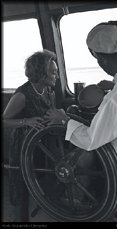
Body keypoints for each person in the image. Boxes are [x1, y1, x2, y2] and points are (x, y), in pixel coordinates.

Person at [46, 23, 117, 222]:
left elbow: (91, 139)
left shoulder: (116, 100)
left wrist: (65, 120)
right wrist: (116, 84)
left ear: (101, 59)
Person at [2, 49, 59, 221]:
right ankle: (20, 218)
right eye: (53, 72)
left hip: (42, 145)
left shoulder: (50, 91)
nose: (56, 75)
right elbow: (4, 121)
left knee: (38, 179)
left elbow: (51, 112)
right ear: (41, 74)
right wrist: (26, 121)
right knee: (23, 186)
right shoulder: (22, 95)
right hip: (23, 146)